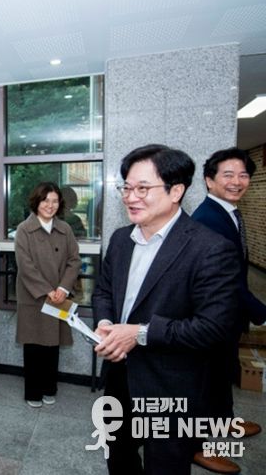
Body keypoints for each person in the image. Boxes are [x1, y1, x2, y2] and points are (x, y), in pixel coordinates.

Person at [92, 144, 241, 475]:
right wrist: (105, 322)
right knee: (118, 456)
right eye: (127, 188)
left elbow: (213, 327)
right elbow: (103, 291)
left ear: (176, 191)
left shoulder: (210, 248)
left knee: (166, 466)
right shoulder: (120, 240)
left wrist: (140, 333)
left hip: (172, 386)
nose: (131, 197)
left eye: (143, 188)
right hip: (120, 378)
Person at [191, 147, 265, 474]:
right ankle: (195, 447)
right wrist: (262, 312)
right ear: (209, 180)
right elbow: (227, 282)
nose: (237, 181)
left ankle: (223, 423)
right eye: (228, 175)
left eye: (243, 175)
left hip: (226, 317)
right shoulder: (208, 219)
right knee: (204, 382)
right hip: (210, 317)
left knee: (222, 375)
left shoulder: (227, 212)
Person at [15, 182, 81, 407]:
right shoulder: (24, 230)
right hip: (33, 297)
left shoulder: (65, 229)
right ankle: (33, 393)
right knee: (33, 346)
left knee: (53, 345)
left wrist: (63, 288)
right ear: (37, 202)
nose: (50, 205)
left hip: (58, 297)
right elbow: (25, 266)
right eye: (45, 200)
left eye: (54, 201)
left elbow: (74, 260)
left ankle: (49, 388)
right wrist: (47, 290)